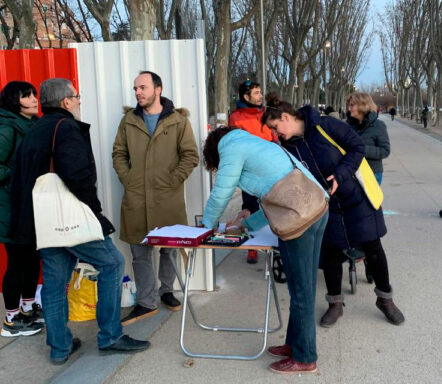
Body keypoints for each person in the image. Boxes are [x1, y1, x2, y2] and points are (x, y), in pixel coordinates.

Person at [9, 78, 150, 364]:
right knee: (112, 263)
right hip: (72, 219)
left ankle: (60, 348)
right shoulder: (66, 128)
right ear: (65, 102)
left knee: (54, 282)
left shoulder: (34, 129)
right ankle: (110, 335)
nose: (79, 100)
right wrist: (94, 211)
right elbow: (77, 175)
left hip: (45, 221)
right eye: (76, 96)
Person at [262, 93, 405, 329]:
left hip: (357, 198)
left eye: (275, 127)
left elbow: (357, 147)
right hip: (326, 205)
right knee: (330, 254)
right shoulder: (287, 148)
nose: (276, 134)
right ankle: (335, 303)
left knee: (373, 247)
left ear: (286, 117)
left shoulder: (325, 125)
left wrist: (340, 174)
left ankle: (385, 299)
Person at [202, 127, 328, 374]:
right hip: (316, 208)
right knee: (303, 286)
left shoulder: (230, 149)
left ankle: (305, 357)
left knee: (300, 289)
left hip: (300, 220)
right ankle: (295, 344)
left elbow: (221, 193)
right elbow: (275, 198)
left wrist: (206, 227)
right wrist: (246, 224)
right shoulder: (255, 144)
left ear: (215, 151)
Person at [113, 71, 199, 325]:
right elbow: (118, 154)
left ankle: (167, 291)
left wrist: (172, 181)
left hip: (167, 197)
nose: (138, 92)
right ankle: (146, 302)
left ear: (157, 89)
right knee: (140, 252)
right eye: (135, 88)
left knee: (169, 249)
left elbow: (190, 155)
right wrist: (128, 179)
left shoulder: (178, 121)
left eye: (143, 87)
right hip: (137, 197)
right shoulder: (128, 120)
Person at [0, 81, 44, 337]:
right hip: (11, 208)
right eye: (27, 96)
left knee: (31, 260)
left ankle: (28, 310)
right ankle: (11, 319)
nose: (34, 99)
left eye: (34, 94)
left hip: (29, 206)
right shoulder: (7, 128)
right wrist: (19, 176)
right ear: (15, 101)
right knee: (17, 263)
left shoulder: (32, 125)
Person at [228, 80, 274, 264]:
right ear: (246, 97)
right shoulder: (236, 117)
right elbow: (235, 144)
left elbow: (274, 136)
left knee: (273, 205)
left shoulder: (265, 114)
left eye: (260, 92)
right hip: (250, 171)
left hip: (270, 168)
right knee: (250, 206)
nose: (260, 96)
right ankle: (253, 245)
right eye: (256, 93)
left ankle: (274, 242)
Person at [347, 92, 390, 185]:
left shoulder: (378, 125)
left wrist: (361, 149)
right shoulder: (349, 125)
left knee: (368, 200)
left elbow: (385, 151)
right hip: (351, 172)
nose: (349, 108)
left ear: (362, 106)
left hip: (372, 173)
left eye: (351, 105)